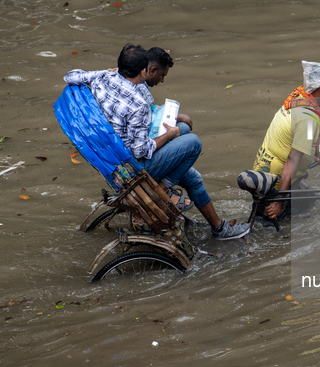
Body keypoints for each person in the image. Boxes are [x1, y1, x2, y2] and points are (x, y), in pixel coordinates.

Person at [64, 43, 250, 240]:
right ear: (144, 71)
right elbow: (140, 150)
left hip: (114, 160)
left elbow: (70, 76)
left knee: (187, 155)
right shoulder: (137, 103)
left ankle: (217, 227)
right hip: (134, 168)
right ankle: (165, 190)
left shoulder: (103, 76)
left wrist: (108, 71)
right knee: (193, 142)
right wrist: (169, 136)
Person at [252, 60, 320, 219]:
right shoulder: (307, 118)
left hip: (263, 168)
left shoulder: (300, 97)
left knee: (310, 199)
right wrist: (279, 200)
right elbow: (292, 160)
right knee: (274, 224)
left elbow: (316, 131)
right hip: (277, 180)